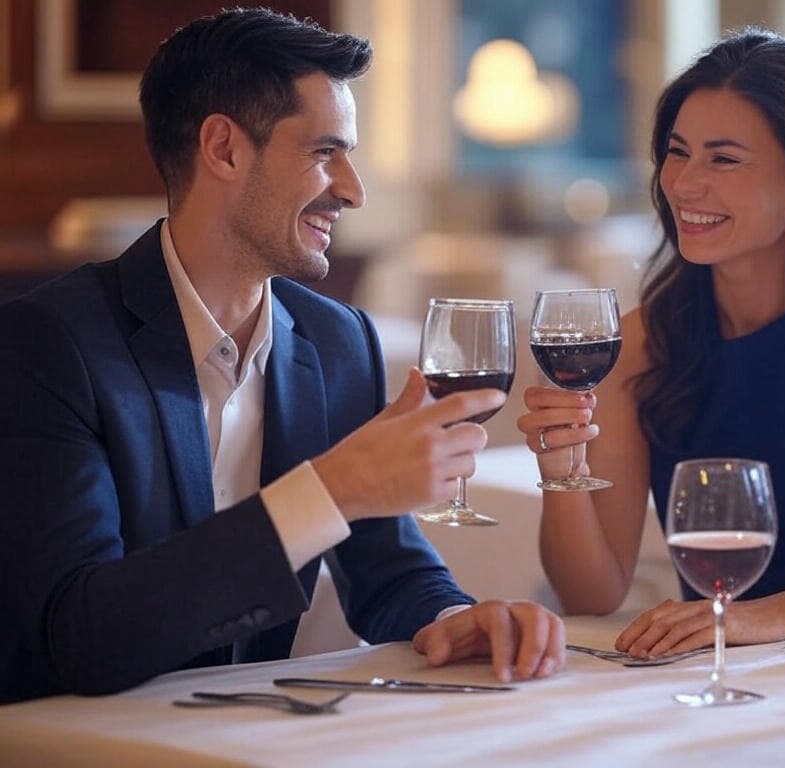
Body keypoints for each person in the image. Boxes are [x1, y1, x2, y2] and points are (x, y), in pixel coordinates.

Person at [0, 8, 564, 704]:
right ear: (225, 149)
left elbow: (386, 570)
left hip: (250, 735)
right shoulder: (50, 346)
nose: (353, 189)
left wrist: (455, 618)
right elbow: (80, 638)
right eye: (326, 152)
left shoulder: (337, 342)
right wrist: (328, 490)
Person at [518, 28, 785, 658]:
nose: (686, 184)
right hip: (713, 665)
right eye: (677, 152)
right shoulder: (639, 341)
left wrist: (776, 615)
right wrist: (561, 474)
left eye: (723, 159)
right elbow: (593, 594)